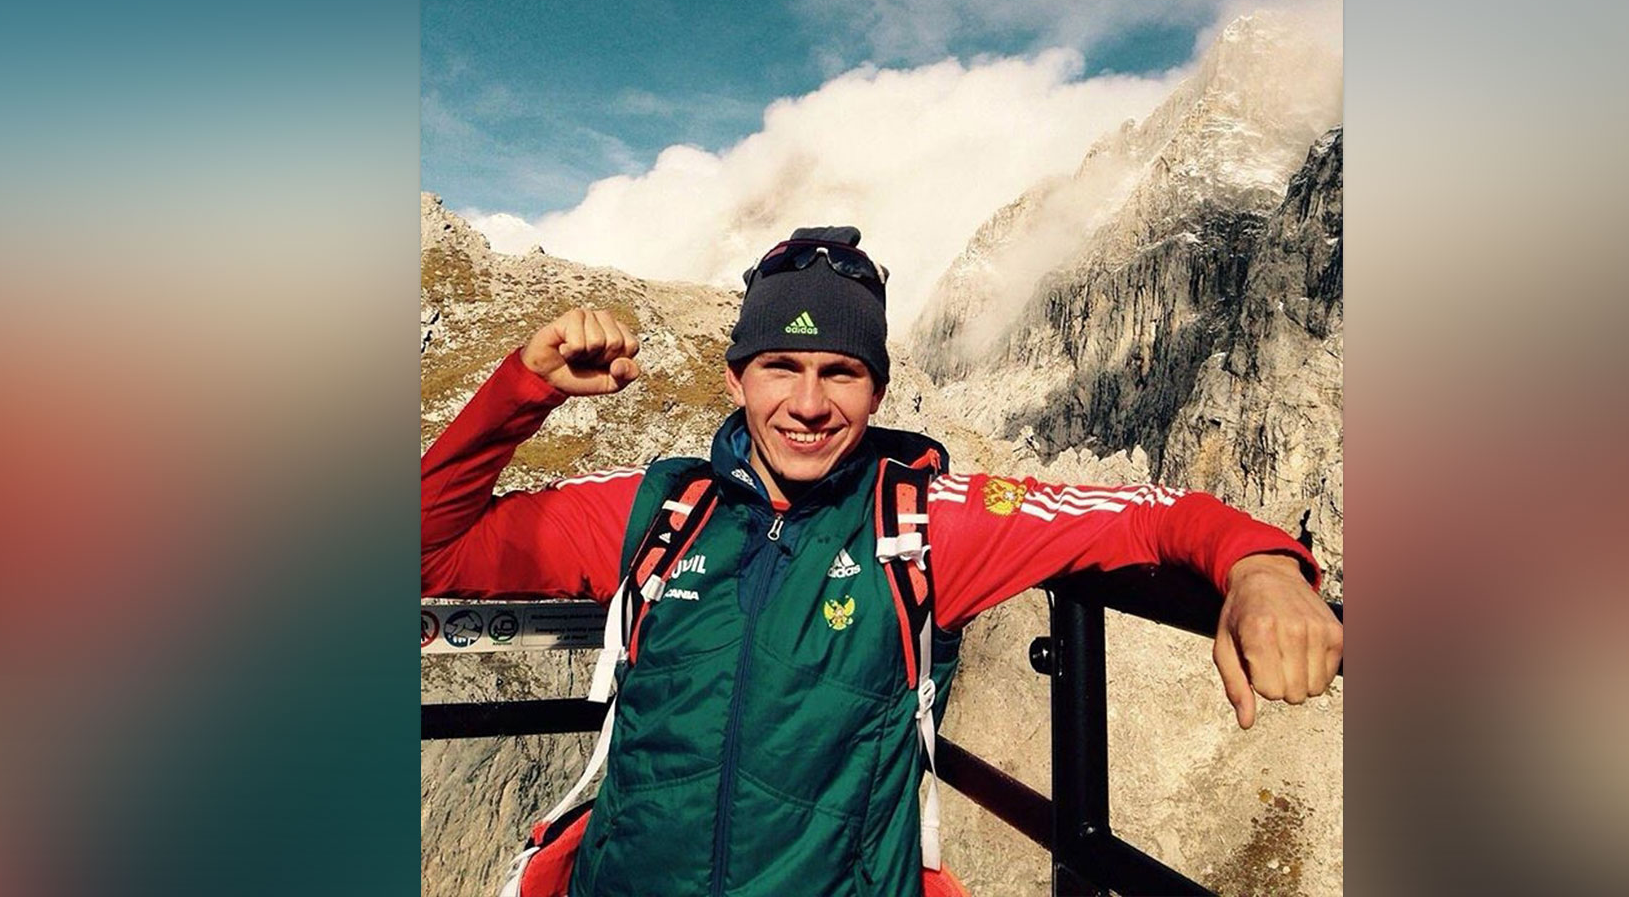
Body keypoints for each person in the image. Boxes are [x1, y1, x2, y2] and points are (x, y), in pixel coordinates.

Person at [422, 227, 1342, 897]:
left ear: (878, 390)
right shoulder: (661, 509)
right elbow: (429, 552)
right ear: (735, 378)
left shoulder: (926, 521)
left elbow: (1146, 513)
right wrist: (523, 391)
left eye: (841, 372)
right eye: (780, 367)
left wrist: (1261, 567)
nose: (808, 404)